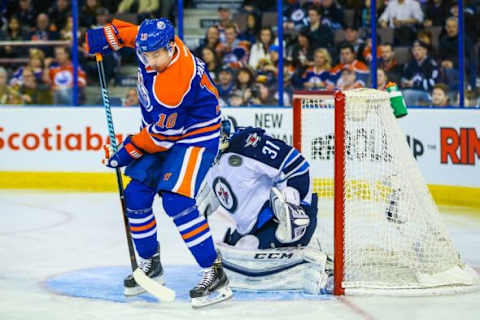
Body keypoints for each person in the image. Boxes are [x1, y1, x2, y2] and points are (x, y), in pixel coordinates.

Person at [86, 17, 232, 308]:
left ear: (169, 48)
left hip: (194, 137)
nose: (149, 61)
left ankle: (214, 272)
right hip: (161, 132)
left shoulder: (174, 83)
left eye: (155, 55)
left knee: (176, 202)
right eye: (145, 55)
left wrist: (127, 151)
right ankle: (151, 264)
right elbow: (130, 35)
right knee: (136, 196)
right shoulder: (153, 42)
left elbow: (163, 138)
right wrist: (104, 36)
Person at [196, 121, 327, 294]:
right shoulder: (210, 160)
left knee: (247, 246)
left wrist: (295, 207)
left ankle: (325, 270)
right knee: (231, 251)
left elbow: (297, 165)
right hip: (252, 228)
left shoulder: (247, 144)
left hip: (284, 223)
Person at [401, 40, 439, 106]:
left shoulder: (431, 64)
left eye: (419, 49)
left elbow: (433, 82)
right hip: (412, 91)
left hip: (428, 92)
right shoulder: (410, 64)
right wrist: (405, 82)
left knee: (407, 94)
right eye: (414, 50)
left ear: (425, 50)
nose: (416, 52)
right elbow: (404, 78)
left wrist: (414, 84)